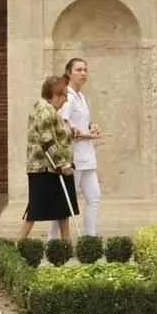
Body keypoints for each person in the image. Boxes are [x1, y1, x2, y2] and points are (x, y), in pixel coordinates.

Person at [20, 75, 78, 241]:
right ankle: (18, 244)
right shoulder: (44, 110)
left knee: (63, 210)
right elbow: (47, 140)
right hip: (46, 168)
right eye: (64, 96)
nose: (65, 100)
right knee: (35, 211)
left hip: (54, 168)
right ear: (55, 95)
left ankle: (66, 245)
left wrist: (72, 132)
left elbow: (58, 134)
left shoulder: (49, 110)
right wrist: (61, 164)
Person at [57, 58, 101, 238]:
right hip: (73, 157)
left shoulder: (81, 96)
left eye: (85, 70)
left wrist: (91, 126)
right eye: (79, 70)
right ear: (69, 73)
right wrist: (84, 135)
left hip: (87, 156)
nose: (83, 73)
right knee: (64, 202)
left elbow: (80, 121)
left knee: (94, 197)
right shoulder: (67, 97)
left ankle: (90, 238)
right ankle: (54, 241)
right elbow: (62, 126)